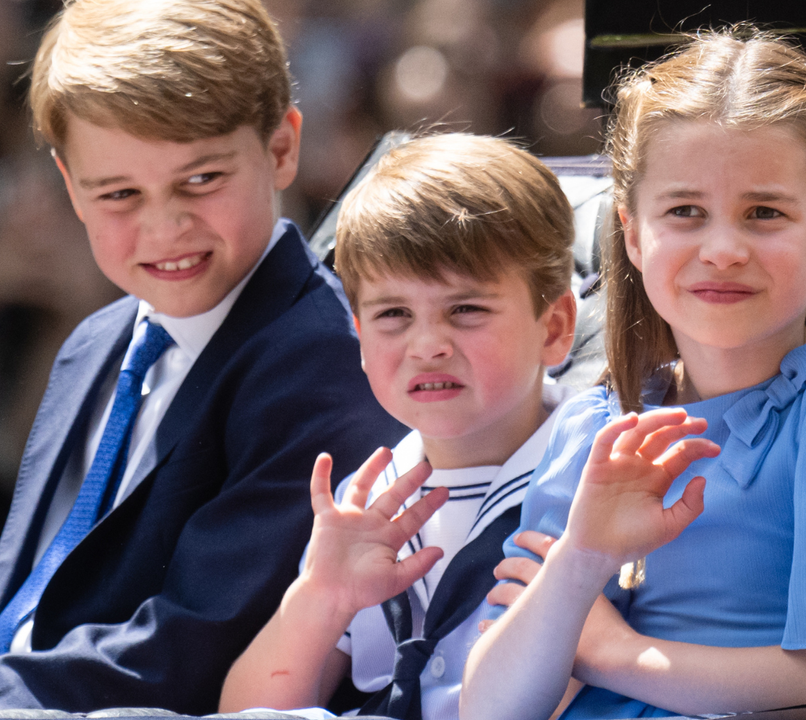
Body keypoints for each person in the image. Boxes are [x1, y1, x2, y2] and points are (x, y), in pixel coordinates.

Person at [0, 0, 404, 712]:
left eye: (200, 180)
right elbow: (32, 623)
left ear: (281, 149)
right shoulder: (95, 345)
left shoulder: (328, 362)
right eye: (119, 194)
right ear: (70, 187)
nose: (164, 227)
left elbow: (193, 646)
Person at [461, 29, 806, 720]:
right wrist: (580, 560)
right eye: (685, 212)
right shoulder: (594, 427)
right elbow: (491, 709)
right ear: (634, 237)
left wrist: (613, 653)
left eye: (764, 213)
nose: (723, 250)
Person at [218, 133, 579, 720]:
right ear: (359, 339)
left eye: (466, 310)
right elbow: (246, 709)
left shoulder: (598, 476)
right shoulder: (367, 503)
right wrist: (323, 598)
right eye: (394, 315)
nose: (428, 345)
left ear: (555, 326)